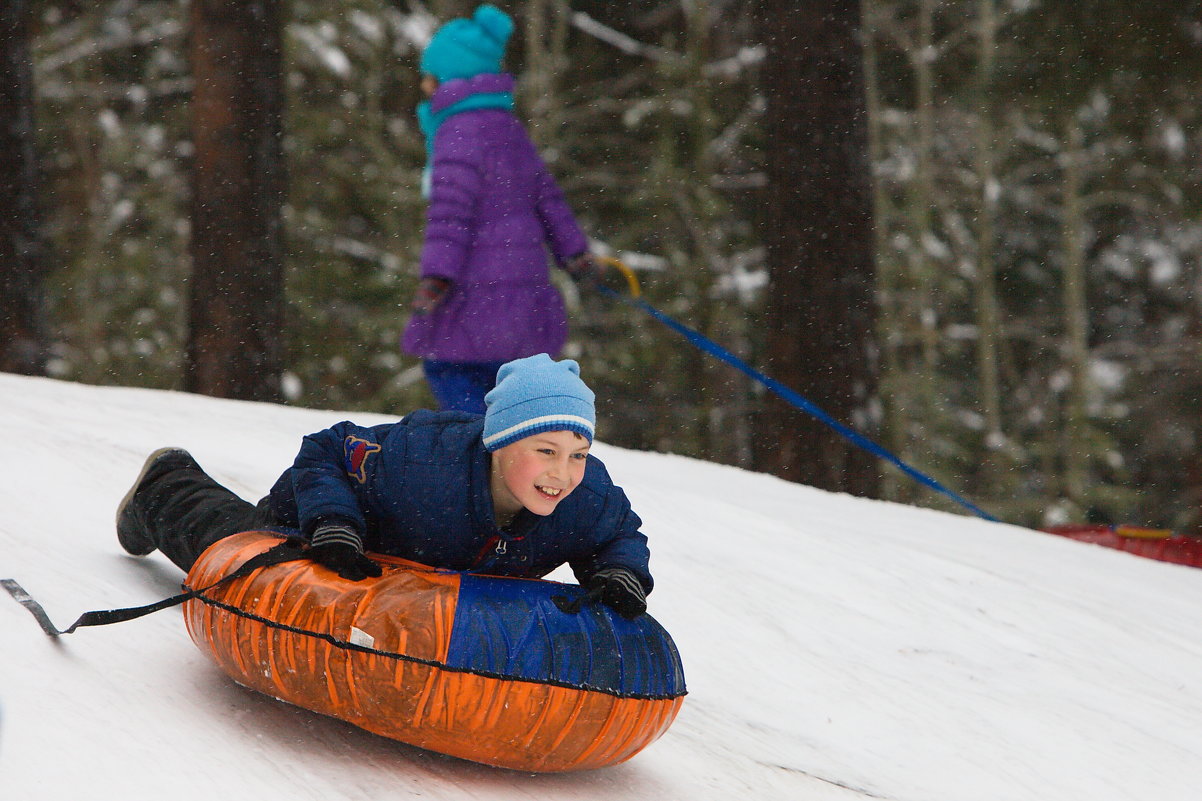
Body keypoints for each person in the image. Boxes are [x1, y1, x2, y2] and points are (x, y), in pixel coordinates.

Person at [115, 354, 649, 619]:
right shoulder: (422, 464)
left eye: (578, 455)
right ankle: (164, 483)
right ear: (500, 444)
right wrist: (333, 526)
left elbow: (619, 534)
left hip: (424, 575)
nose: (563, 473)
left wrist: (620, 574)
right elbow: (327, 449)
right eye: (546, 452)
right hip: (327, 526)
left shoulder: (587, 496)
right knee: (227, 550)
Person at [401, 4, 598, 414]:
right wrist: (573, 254)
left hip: (474, 292)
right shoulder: (508, 128)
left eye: (429, 75)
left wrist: (437, 276)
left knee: (449, 371)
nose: (423, 85)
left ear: (449, 78)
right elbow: (548, 198)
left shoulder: (457, 133)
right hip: (523, 294)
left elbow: (449, 215)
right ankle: (508, 450)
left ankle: (481, 454)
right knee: (506, 386)